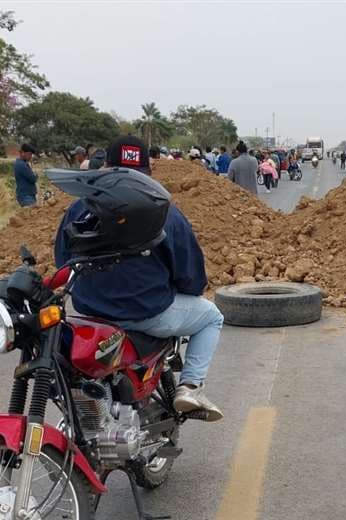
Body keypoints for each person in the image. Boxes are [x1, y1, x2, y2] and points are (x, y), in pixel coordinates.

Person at [54, 135, 224, 421]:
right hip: (147, 313)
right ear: (148, 172)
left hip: (90, 314)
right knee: (211, 316)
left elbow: (63, 261)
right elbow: (191, 278)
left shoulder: (78, 208)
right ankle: (190, 387)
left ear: (105, 166)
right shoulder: (164, 212)